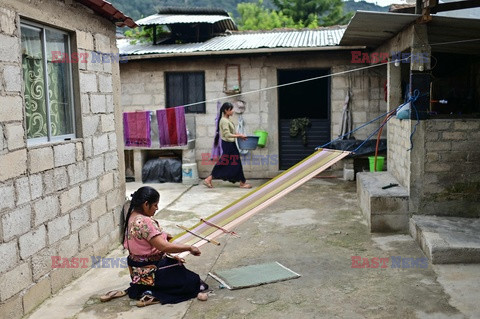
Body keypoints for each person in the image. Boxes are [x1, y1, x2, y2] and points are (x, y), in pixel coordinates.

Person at [100, 186, 208, 306]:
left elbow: (142, 239)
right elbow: (164, 247)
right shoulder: (145, 221)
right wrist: (189, 247)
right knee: (195, 282)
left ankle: (143, 288)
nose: (157, 208)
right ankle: (153, 294)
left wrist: (163, 235)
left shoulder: (131, 216)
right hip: (152, 269)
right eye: (155, 205)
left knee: (177, 267)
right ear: (146, 204)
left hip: (136, 270)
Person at [204, 102, 252, 189]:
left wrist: (240, 136)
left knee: (231, 163)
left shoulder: (227, 120)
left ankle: (210, 178)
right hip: (228, 145)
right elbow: (227, 135)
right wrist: (240, 136)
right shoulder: (224, 121)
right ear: (226, 111)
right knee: (228, 162)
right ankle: (242, 182)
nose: (233, 111)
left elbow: (232, 133)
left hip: (230, 144)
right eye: (231, 109)